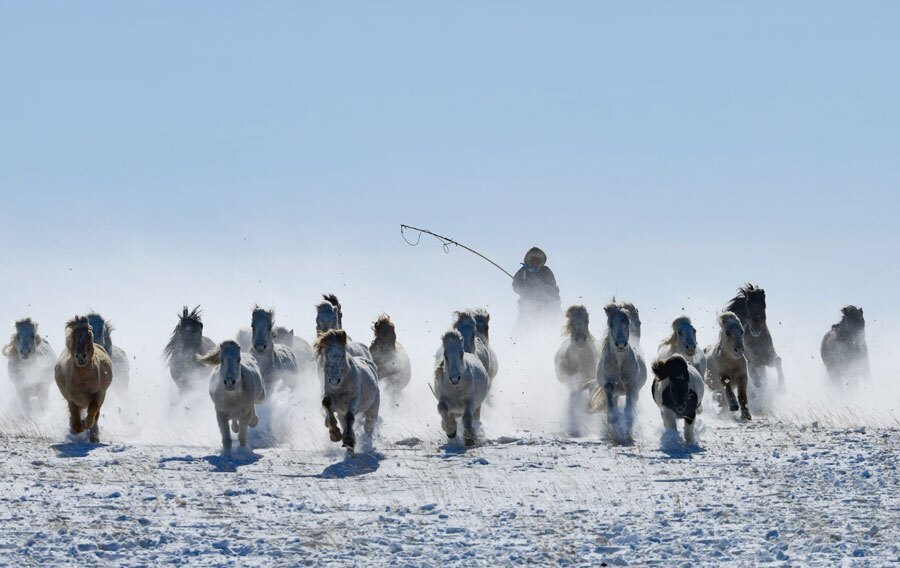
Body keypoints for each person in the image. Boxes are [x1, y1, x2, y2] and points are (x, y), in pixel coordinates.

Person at [512, 247, 561, 324]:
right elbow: (515, 285)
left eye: (538, 260)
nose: (535, 261)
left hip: (545, 306)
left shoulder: (546, 271)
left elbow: (552, 287)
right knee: (521, 327)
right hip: (527, 307)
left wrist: (544, 292)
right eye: (534, 259)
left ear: (541, 261)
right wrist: (523, 289)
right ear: (530, 260)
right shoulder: (523, 271)